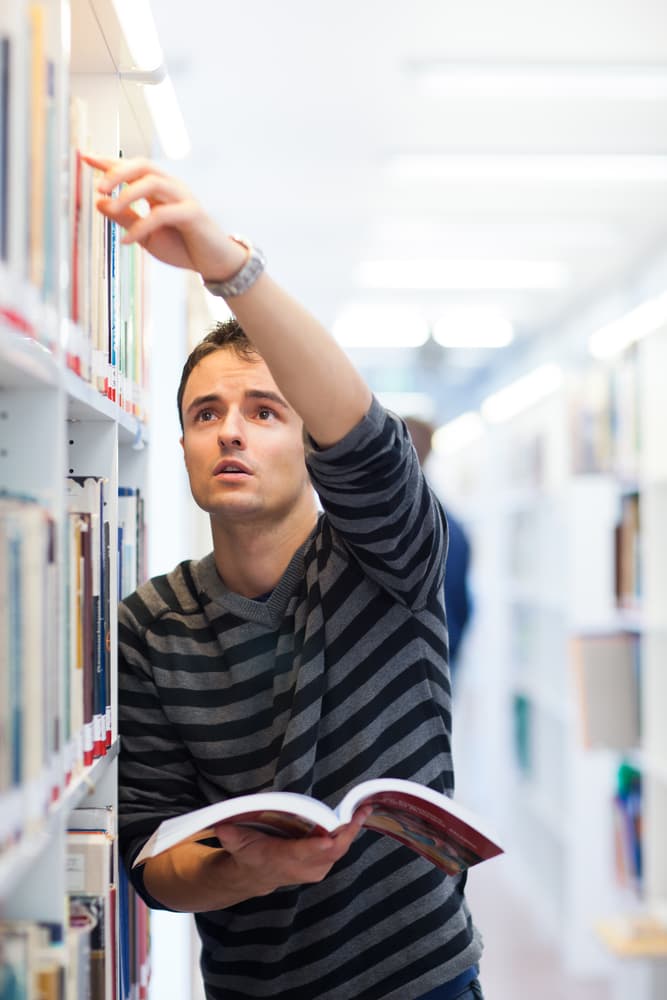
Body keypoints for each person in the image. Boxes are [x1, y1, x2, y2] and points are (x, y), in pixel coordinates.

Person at [86, 154, 484, 1000]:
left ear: (308, 442)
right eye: (206, 414)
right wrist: (247, 871)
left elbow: (368, 444)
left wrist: (227, 268)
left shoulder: (387, 559)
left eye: (264, 411)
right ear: (184, 447)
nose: (230, 431)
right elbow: (152, 860)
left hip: (424, 982)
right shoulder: (147, 624)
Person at [403, 417, 472, 676]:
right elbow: (463, 605)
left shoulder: (382, 526)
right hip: (443, 657)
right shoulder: (453, 526)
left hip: (404, 667)